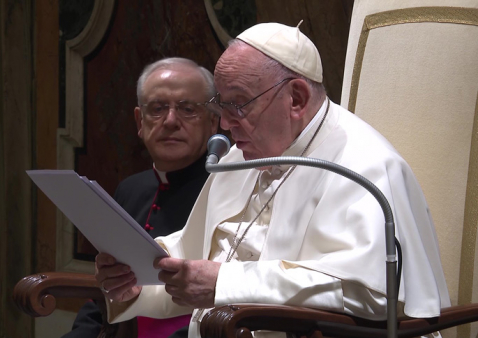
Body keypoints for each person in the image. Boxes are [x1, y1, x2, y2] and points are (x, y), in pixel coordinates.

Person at [95, 22, 451, 338]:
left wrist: (225, 283)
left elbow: (371, 292)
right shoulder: (243, 155)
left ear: (296, 98)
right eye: (222, 104)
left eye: (238, 104)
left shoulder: (366, 166)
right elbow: (194, 254)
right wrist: (138, 279)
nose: (224, 125)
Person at [62, 57, 219, 338]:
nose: (171, 121)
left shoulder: (226, 191)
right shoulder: (130, 190)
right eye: (157, 109)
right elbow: (105, 292)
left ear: (214, 122)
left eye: (187, 109)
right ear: (139, 120)